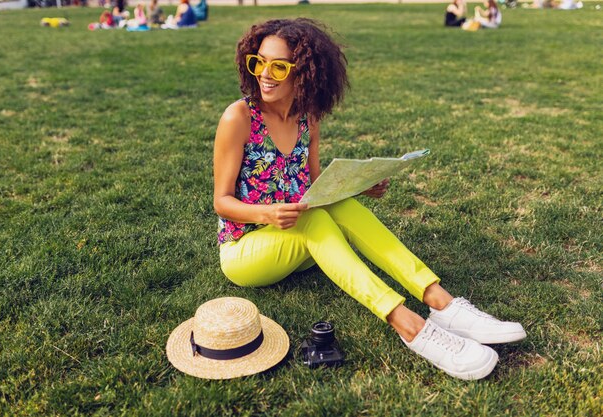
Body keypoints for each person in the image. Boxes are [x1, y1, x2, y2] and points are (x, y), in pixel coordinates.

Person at [213, 18, 526, 380]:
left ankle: (442, 302)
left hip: (299, 244)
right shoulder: (238, 117)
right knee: (314, 219)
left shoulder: (307, 120)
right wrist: (267, 214)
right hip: (245, 250)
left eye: (278, 66)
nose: (265, 74)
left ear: (305, 73)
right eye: (259, 61)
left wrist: (357, 186)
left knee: (338, 206)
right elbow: (222, 201)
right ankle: (408, 324)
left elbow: (316, 186)